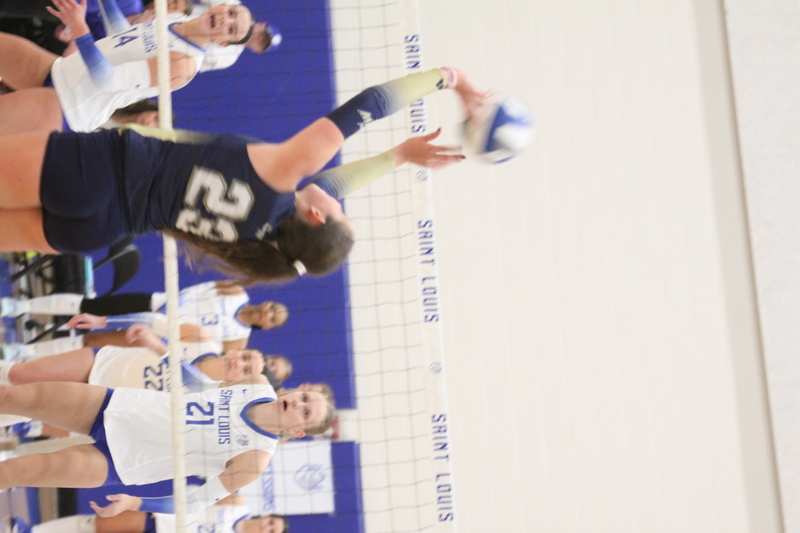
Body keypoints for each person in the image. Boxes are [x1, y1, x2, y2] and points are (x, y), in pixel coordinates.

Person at [0, 66, 482, 284]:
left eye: (340, 213)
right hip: (100, 228)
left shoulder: (284, 172)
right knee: (40, 110)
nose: (339, 200)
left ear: (315, 217)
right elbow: (331, 189)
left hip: (99, 172)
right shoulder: (260, 242)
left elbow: (370, 104)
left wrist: (448, 79)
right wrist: (397, 157)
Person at [0, 378, 335, 517]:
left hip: (121, 461)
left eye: (306, 412)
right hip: (120, 406)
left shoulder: (256, 458)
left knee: (13, 471)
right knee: (15, 396)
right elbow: (198, 385)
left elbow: (192, 503)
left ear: (298, 430)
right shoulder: (257, 383)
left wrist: (137, 502)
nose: (297, 404)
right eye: (304, 397)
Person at [0, 0, 253, 135]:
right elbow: (123, 35)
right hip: (61, 72)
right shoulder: (178, 19)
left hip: (69, 106)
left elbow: (107, 80)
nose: (224, 19)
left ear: (222, 42)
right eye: (230, 12)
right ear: (221, 5)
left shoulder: (183, 64)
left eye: (230, 28)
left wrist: (78, 27)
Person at [2, 280, 290, 351]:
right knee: (90, 305)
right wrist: (167, 310)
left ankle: (23, 352)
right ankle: (20, 308)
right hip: (154, 304)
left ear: (268, 326)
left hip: (153, 332)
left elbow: (200, 346)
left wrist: (164, 326)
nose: (270, 312)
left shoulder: (238, 340)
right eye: (274, 307)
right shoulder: (237, 291)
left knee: (94, 343)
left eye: (274, 318)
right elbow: (197, 290)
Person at [190, 0, 281, 72]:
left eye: (263, 43)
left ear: (257, 50)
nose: (259, 38)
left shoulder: (228, 59)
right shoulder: (235, 6)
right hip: (178, 14)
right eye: (263, 35)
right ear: (261, 24)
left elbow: (192, 61)